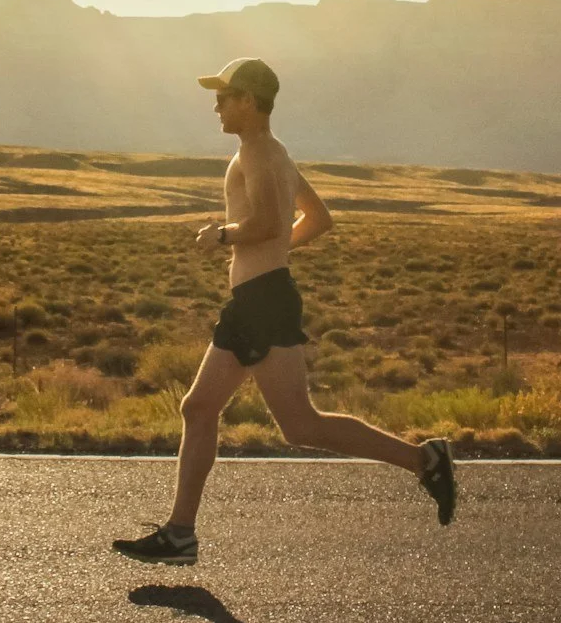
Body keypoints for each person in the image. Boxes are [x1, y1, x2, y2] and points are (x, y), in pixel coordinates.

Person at [112, 57, 457, 566]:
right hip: (256, 298)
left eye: (225, 96)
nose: (217, 105)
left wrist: (225, 235)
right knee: (201, 408)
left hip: (265, 302)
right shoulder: (275, 153)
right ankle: (180, 533)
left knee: (299, 425)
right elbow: (317, 219)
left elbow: (271, 221)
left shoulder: (257, 153)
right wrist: (273, 256)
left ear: (249, 101)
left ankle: (424, 459)